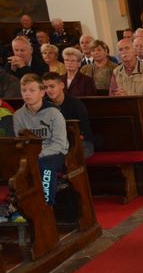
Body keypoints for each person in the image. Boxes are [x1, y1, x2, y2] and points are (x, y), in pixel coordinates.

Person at [13, 74, 67, 205]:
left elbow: (59, 144)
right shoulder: (18, 115)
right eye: (24, 90)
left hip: (55, 154)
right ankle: (19, 205)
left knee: (45, 164)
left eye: (32, 90)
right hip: (30, 155)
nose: (27, 94)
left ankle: (46, 203)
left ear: (42, 93)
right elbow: (20, 141)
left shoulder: (54, 113)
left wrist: (38, 155)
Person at [42, 72, 93, 157]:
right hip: (53, 142)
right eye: (45, 87)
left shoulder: (76, 104)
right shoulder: (43, 105)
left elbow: (85, 130)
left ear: (62, 85)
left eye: (52, 86)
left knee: (78, 153)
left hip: (77, 141)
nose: (48, 90)